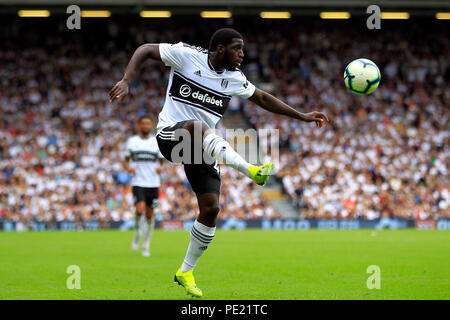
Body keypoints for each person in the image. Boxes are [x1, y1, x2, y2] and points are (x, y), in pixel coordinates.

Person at [110, 28, 329, 297]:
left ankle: (186, 271)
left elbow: (261, 97)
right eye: (237, 48)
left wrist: (302, 116)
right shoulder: (186, 55)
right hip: (171, 136)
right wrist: (126, 79)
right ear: (221, 48)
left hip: (201, 145)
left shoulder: (234, 78)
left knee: (211, 209)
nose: (242, 54)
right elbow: (144, 49)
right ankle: (250, 169)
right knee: (200, 126)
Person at [124, 115, 164, 257]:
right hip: (138, 182)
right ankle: (137, 234)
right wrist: (129, 167)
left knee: (149, 215)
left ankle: (146, 244)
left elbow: (161, 161)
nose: (145, 126)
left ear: (151, 126)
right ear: (139, 126)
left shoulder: (156, 142)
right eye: (143, 123)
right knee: (139, 210)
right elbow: (126, 159)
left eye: (148, 123)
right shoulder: (132, 142)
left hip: (153, 184)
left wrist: (160, 168)